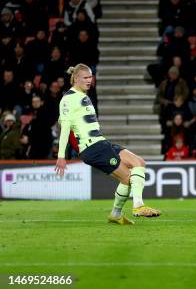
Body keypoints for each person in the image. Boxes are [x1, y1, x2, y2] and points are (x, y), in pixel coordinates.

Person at [54, 64, 161, 225]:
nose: (89, 81)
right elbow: (65, 128)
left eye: (90, 77)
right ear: (75, 79)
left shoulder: (83, 95)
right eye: (85, 78)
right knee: (128, 177)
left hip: (101, 142)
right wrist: (61, 156)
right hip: (92, 148)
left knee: (139, 162)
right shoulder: (68, 99)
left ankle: (116, 214)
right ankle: (138, 205)